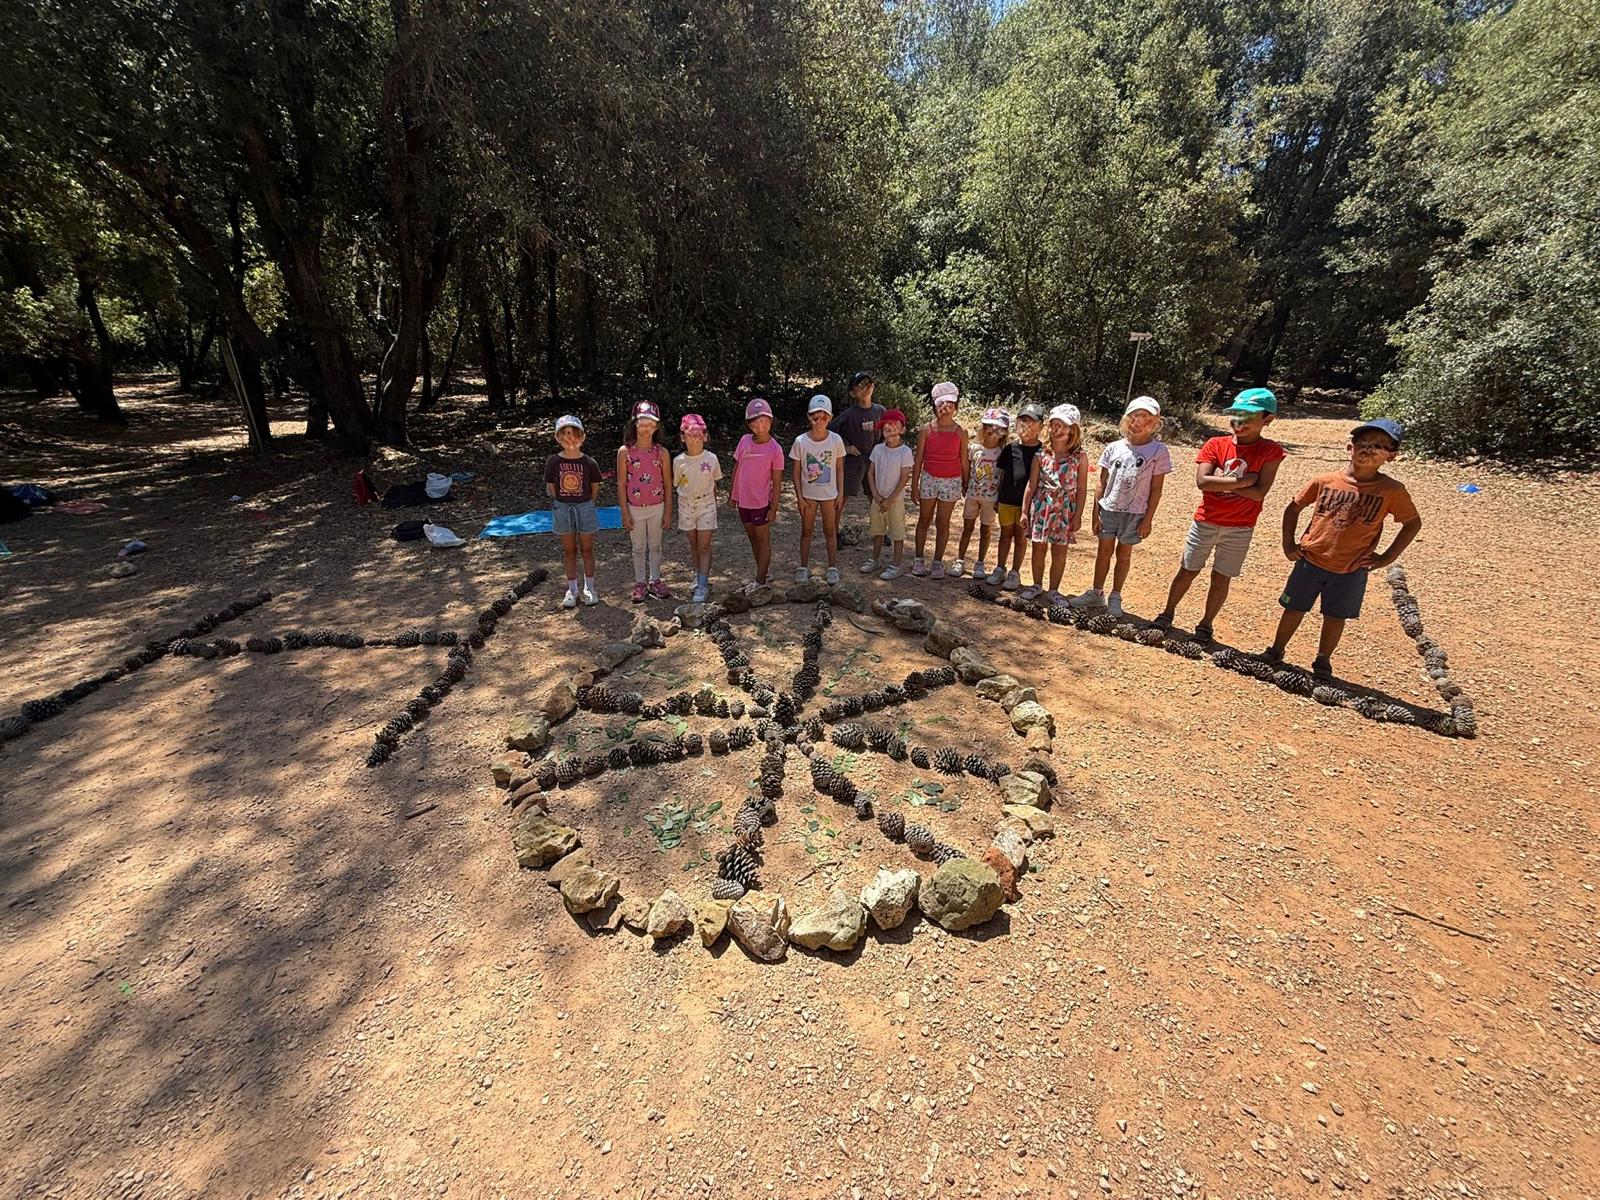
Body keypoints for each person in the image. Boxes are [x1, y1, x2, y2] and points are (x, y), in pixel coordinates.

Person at [1261, 418, 1421, 677]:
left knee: (1335, 616)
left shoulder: (1391, 490)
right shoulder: (1325, 480)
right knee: (1293, 608)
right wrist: (1288, 543)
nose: (1369, 449)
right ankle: (1275, 650)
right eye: (1363, 443)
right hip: (1310, 560)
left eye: (1380, 446)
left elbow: (1412, 523)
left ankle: (1323, 661)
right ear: (1350, 447)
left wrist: (1387, 557)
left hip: (1351, 567)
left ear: (1391, 456)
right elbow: (1293, 508)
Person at [1152, 387, 1287, 643]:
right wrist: (1244, 481)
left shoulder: (1270, 451)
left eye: (1248, 416)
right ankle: (1167, 613)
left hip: (1240, 526)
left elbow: (1260, 493)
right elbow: (1203, 482)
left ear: (1267, 419)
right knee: (1188, 569)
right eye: (1236, 414)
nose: (1239, 422)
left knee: (1221, 576)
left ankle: (1206, 624)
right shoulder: (1216, 444)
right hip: (1206, 520)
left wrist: (1224, 481)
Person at [1069, 396, 1173, 616]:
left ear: (1154, 423)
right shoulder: (1114, 447)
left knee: (1124, 553)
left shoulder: (1158, 451)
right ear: (1127, 419)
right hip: (1109, 508)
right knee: (1103, 551)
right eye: (1134, 416)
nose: (1138, 422)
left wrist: (1148, 519)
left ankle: (1116, 595)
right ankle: (1097, 593)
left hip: (1135, 512)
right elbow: (1101, 483)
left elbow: (1156, 489)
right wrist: (1095, 512)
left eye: (1145, 418)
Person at [1019, 404, 1088, 603]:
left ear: (1072, 430)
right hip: (1042, 508)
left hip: (1065, 510)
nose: (1056, 429)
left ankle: (1054, 590)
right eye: (1053, 425)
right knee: (1038, 548)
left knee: (1059, 551)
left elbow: (1082, 489)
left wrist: (1078, 515)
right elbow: (1031, 486)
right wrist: (1025, 511)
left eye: (1062, 425)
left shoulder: (1079, 458)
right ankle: (1036, 584)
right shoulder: (1041, 455)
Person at [617, 400, 674, 603]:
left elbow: (668, 483)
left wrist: (668, 511)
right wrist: (624, 512)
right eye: (643, 422)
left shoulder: (662, 453)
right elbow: (622, 483)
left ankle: (655, 579)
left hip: (657, 507)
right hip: (635, 508)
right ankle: (640, 582)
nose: (646, 428)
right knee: (638, 547)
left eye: (651, 423)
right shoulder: (625, 452)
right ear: (635, 424)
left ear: (657, 426)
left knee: (656, 545)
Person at [911, 381, 969, 578]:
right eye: (941, 404)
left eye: (950, 404)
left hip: (951, 481)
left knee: (943, 522)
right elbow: (918, 459)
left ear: (956, 407)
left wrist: (966, 482)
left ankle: (937, 561)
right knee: (924, 520)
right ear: (935, 406)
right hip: (929, 478)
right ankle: (919, 558)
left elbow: (963, 461)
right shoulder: (927, 430)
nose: (946, 408)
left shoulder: (961, 433)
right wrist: (914, 485)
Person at [545, 414, 603, 608]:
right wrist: (563, 502)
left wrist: (585, 503)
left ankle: (590, 587)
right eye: (565, 433)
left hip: (584, 506)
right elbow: (552, 487)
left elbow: (595, 487)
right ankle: (572, 589)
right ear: (558, 438)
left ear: (582, 437)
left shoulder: (589, 462)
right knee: (569, 550)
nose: (569, 437)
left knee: (587, 549)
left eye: (573, 433)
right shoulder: (553, 462)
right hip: (563, 508)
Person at [729, 398, 787, 591]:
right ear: (749, 424)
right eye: (755, 421)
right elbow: (737, 467)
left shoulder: (775, 449)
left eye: (764, 420)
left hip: (761, 503)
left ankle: (760, 580)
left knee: (762, 539)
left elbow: (777, 482)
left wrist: (774, 508)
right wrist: (732, 494)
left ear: (770, 421)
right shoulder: (744, 441)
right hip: (743, 501)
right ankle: (761, 572)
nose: (759, 425)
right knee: (752, 537)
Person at [790, 394, 847, 583]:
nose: (819, 420)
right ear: (809, 417)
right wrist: (799, 497)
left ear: (830, 418)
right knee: (806, 531)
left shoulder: (836, 440)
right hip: (808, 495)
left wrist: (840, 493)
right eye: (815, 416)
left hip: (830, 495)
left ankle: (832, 567)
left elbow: (839, 468)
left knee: (830, 530)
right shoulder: (800, 442)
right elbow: (796, 472)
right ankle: (803, 566)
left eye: (823, 416)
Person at [989, 402, 1044, 590]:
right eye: (1023, 421)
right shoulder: (1009, 449)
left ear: (1041, 427)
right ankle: (1000, 568)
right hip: (1006, 500)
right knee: (1005, 536)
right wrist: (997, 498)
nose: (1026, 426)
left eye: (1031, 422)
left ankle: (1015, 572)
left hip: (1027, 505)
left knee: (1020, 538)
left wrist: (1030, 508)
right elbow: (1001, 475)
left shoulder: (1043, 452)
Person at [952, 407, 1009, 579]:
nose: (992, 430)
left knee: (986, 530)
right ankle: (960, 560)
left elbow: (1004, 476)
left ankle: (980, 563)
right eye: (989, 426)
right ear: (983, 427)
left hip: (991, 499)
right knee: (967, 528)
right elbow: (968, 468)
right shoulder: (974, 447)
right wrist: (964, 484)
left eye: (997, 427)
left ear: (1004, 432)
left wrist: (1001, 497)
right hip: (973, 495)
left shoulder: (1003, 452)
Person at [860, 408, 914, 579]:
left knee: (897, 532)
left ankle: (896, 564)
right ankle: (875, 559)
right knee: (877, 530)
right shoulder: (878, 449)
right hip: (878, 499)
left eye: (894, 425)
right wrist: (876, 495)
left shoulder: (905, 452)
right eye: (886, 425)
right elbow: (870, 473)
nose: (889, 428)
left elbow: (904, 478)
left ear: (903, 429)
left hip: (895, 501)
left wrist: (890, 499)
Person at [674, 413, 721, 604]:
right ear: (683, 437)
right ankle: (698, 574)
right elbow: (677, 483)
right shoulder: (678, 461)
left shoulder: (711, 459)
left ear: (705, 436)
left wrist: (712, 504)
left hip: (706, 505)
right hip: (686, 506)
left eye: (699, 433)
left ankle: (703, 583)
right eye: (690, 434)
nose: (695, 438)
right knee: (694, 545)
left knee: (704, 546)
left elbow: (715, 484)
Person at [830, 370, 884, 519]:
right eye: (859, 385)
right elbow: (830, 432)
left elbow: (889, 432)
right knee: (843, 495)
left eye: (867, 383)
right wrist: (845, 448)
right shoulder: (849, 414)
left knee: (875, 495)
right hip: (854, 462)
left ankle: (880, 530)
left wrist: (883, 449)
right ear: (852, 393)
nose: (865, 387)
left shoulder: (880, 411)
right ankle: (833, 533)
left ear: (873, 386)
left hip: (874, 461)